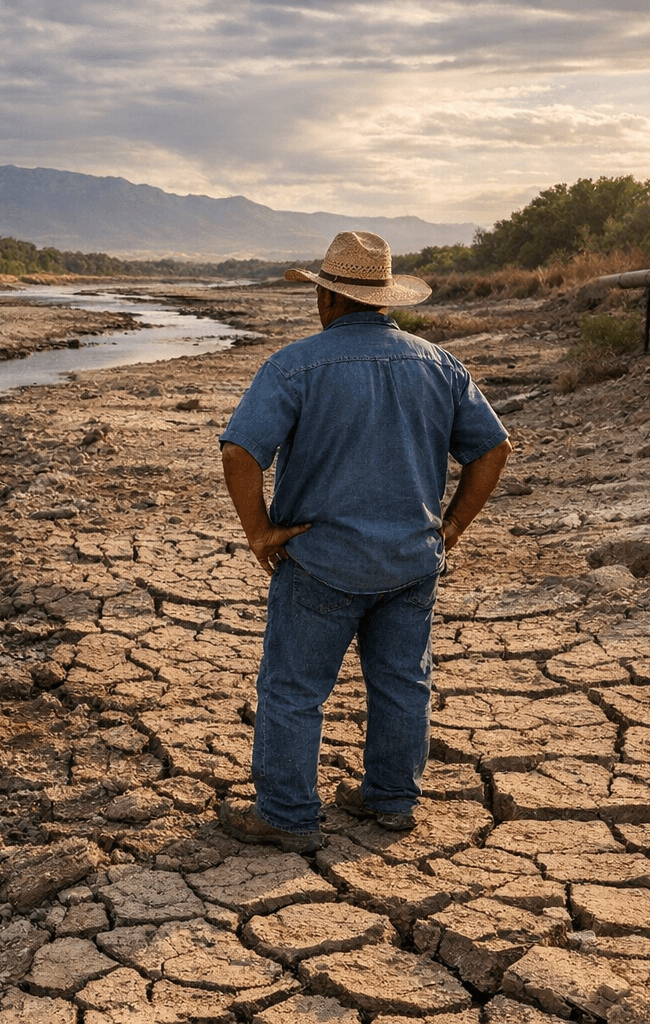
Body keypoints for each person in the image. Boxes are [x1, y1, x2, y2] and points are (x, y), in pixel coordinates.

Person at [217, 230, 511, 851]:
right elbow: (492, 450)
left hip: (321, 562)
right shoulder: (437, 363)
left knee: (295, 689)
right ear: (383, 299)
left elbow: (241, 450)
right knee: (402, 682)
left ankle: (288, 816)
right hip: (411, 560)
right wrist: (451, 527)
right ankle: (392, 800)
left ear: (327, 299)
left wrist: (259, 532)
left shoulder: (296, 364)